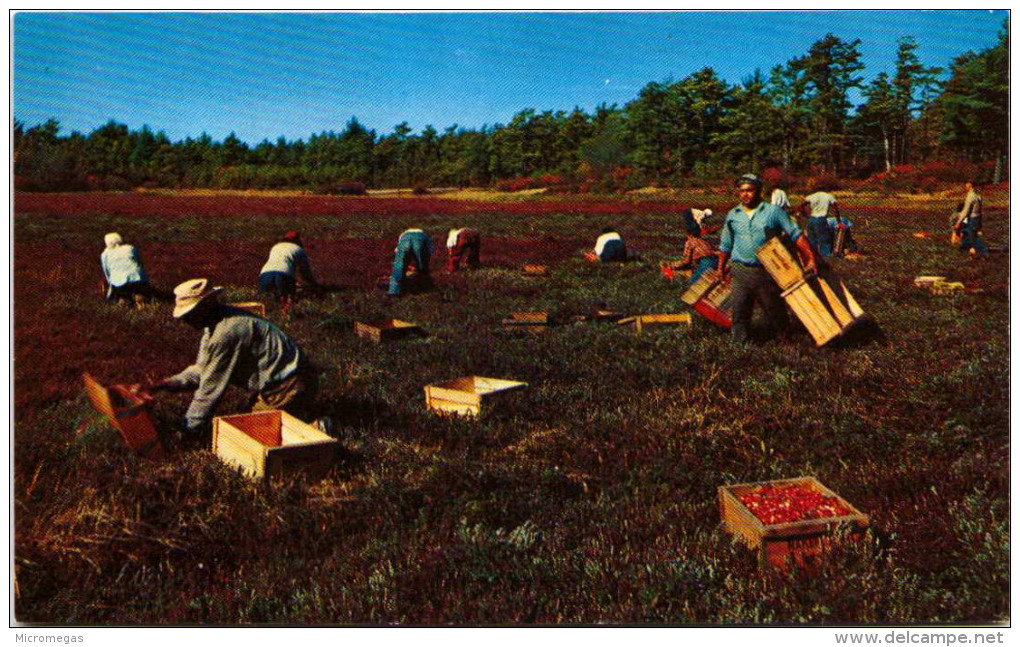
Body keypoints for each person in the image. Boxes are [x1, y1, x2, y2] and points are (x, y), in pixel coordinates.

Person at [138, 278, 321, 443]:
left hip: (288, 385)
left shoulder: (227, 333)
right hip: (286, 381)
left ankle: (317, 427)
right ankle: (302, 416)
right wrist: (160, 385)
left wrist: (186, 432)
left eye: (189, 313)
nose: (186, 320)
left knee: (253, 437)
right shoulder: (215, 326)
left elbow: (209, 391)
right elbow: (201, 371)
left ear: (206, 305)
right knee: (249, 427)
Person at [719, 174, 816, 345]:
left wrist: (811, 259)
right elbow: (726, 244)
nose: (745, 194)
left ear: (759, 191)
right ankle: (738, 345)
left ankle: (786, 342)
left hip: (766, 270)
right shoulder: (733, 214)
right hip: (740, 270)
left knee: (774, 309)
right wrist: (720, 267)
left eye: (749, 190)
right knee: (739, 310)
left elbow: (796, 235)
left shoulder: (773, 212)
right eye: (741, 191)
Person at [258, 230, 319, 302]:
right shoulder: (299, 249)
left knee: (265, 300)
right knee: (286, 300)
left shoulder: (275, 247)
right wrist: (315, 285)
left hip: (264, 274)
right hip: (284, 274)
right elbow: (305, 272)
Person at [100, 232, 152, 307]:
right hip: (137, 276)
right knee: (139, 292)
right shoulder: (130, 248)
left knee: (122, 295)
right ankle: (142, 305)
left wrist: (110, 282)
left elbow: (106, 270)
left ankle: (123, 307)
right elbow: (139, 262)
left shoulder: (105, 254)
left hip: (118, 280)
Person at [674, 209, 718, 285]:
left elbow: (687, 261)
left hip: (706, 262)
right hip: (715, 260)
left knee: (692, 283)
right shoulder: (703, 241)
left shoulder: (690, 242)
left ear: (689, 234)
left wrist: (674, 266)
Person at [388, 228, 435, 297]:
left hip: (405, 240)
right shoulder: (426, 237)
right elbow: (430, 251)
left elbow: (397, 252)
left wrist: (404, 266)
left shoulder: (403, 235)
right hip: (420, 240)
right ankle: (424, 288)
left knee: (398, 267)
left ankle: (393, 291)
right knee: (422, 268)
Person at [800, 185, 842, 257]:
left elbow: (802, 206)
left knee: (812, 239)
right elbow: (835, 208)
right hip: (821, 218)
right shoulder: (829, 196)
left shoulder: (811, 196)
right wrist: (839, 221)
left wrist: (806, 215)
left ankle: (813, 255)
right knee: (824, 238)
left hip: (812, 219)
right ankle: (825, 255)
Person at [952, 180, 989, 256]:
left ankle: (983, 252)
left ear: (970, 185)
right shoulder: (977, 195)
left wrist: (958, 222)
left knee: (973, 236)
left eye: (967, 184)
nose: (965, 186)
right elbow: (980, 210)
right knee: (969, 232)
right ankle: (967, 247)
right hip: (977, 218)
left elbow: (965, 211)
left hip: (972, 218)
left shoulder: (970, 196)